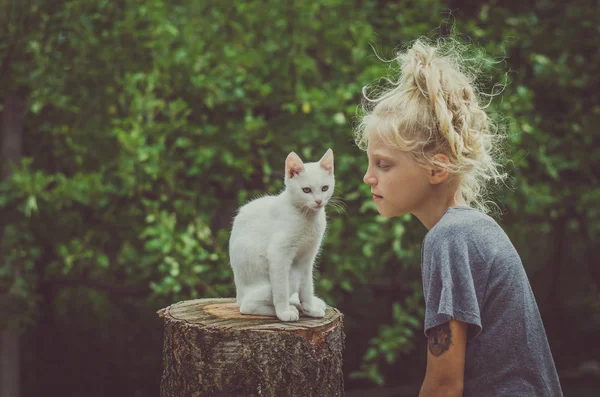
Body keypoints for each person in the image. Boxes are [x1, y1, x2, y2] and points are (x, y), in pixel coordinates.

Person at [354, 37, 564, 396]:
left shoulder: (450, 238)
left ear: (437, 170)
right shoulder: (470, 228)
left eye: (384, 164)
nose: (368, 177)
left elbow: (444, 386)